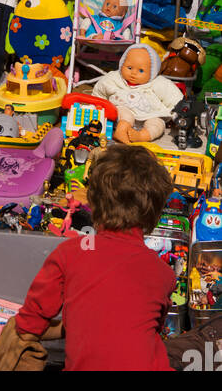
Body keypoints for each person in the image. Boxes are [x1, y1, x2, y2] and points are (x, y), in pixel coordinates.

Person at [13, 143, 174, 370]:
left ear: (93, 203)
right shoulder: (163, 273)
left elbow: (28, 327)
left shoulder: (72, 252)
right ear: (155, 213)